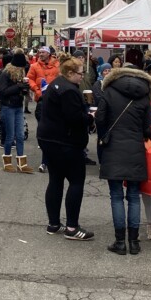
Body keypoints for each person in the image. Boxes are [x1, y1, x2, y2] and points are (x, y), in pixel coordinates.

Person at [95, 62, 151, 255]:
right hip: (135, 148)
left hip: (113, 147)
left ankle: (120, 242)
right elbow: (147, 127)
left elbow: (100, 119)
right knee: (134, 197)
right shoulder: (145, 96)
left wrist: (106, 133)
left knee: (116, 196)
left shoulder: (109, 91)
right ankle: (134, 242)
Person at [37, 55, 95, 240]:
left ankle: (54, 223)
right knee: (76, 182)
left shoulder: (57, 84)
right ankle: (72, 227)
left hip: (49, 139)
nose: (82, 76)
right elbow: (75, 119)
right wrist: (90, 117)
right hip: (65, 142)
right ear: (70, 72)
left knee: (55, 180)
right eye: (80, 73)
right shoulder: (69, 90)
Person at [0, 51, 31, 172]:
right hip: (8, 106)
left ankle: (21, 163)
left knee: (21, 136)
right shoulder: (5, 73)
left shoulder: (20, 72)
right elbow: (2, 91)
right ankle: (7, 163)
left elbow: (18, 89)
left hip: (17, 105)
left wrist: (25, 89)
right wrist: (19, 87)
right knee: (10, 136)